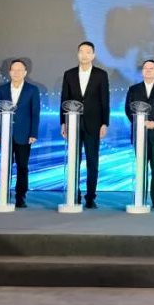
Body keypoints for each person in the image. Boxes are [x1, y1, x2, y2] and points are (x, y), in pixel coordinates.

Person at [60, 41, 110, 209]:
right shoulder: (69, 74)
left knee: (92, 161)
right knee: (74, 161)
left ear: (93, 55)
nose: (84, 55)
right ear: (77, 54)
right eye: (81, 51)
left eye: (88, 52)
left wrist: (105, 123)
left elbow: (105, 100)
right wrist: (63, 122)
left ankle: (90, 197)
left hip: (93, 124)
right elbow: (64, 100)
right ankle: (74, 194)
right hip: (73, 124)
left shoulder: (101, 75)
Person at [124, 59, 154, 209]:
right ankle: (140, 198)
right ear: (142, 71)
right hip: (139, 134)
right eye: (145, 68)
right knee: (141, 167)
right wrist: (139, 123)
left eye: (151, 68)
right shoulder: (134, 89)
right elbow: (128, 109)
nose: (148, 70)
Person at [0, 58, 40, 208]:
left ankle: (20, 196)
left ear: (25, 72)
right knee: (5, 166)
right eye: (14, 70)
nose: (16, 73)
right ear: (9, 72)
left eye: (20, 70)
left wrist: (33, 133)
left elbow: (35, 113)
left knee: (22, 166)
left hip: (24, 134)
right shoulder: (1, 89)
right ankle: (4, 194)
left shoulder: (32, 90)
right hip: (5, 134)